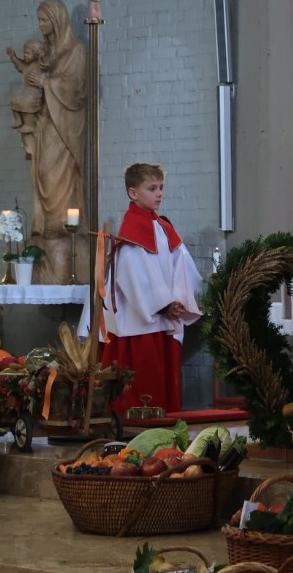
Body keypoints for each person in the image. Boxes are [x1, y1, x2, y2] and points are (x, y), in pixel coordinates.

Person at [97, 163, 203, 413]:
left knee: (162, 382)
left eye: (161, 188)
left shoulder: (162, 227)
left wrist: (179, 301)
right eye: (152, 188)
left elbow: (180, 265)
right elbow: (134, 274)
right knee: (144, 383)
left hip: (163, 318)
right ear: (133, 193)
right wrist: (165, 305)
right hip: (141, 323)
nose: (159, 194)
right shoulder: (132, 230)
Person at [26, 0, 86, 239]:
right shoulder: (45, 52)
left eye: (44, 20)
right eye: (39, 20)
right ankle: (45, 226)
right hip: (44, 121)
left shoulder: (75, 51)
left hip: (63, 128)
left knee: (55, 175)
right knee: (42, 173)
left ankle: (62, 227)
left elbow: (76, 89)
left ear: (57, 20)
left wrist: (45, 83)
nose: (40, 24)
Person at [6, 39, 47, 160]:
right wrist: (13, 57)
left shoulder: (39, 66)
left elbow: (47, 71)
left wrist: (43, 56)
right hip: (25, 91)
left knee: (27, 103)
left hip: (34, 94)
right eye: (24, 53)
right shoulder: (27, 66)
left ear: (36, 54)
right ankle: (19, 120)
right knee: (14, 100)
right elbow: (20, 66)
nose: (25, 56)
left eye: (28, 53)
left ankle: (29, 124)